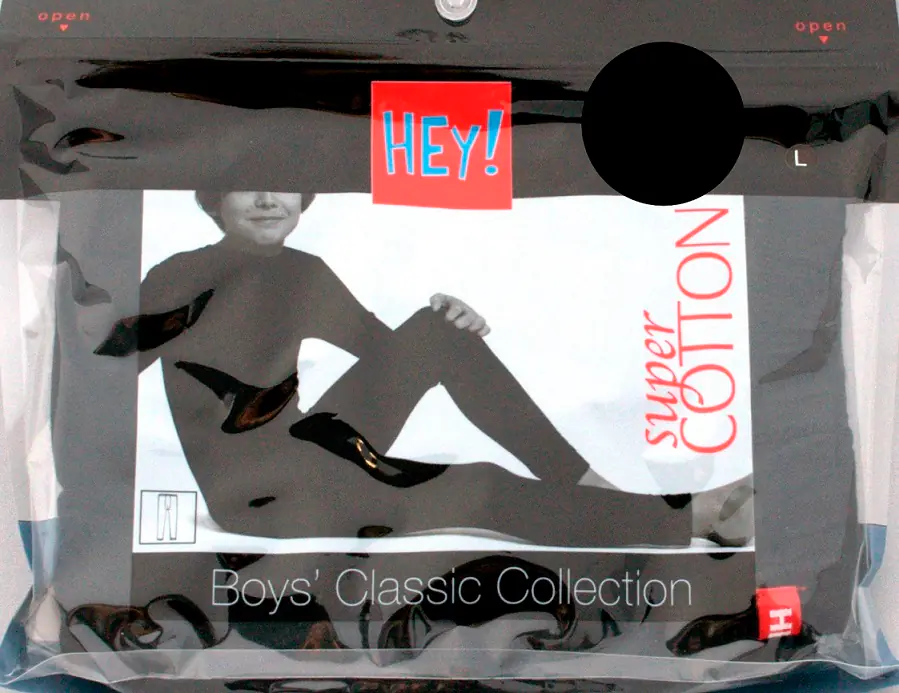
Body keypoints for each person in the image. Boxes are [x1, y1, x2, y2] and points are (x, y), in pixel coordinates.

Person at [94, 190, 690, 548]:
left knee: (438, 329)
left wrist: (453, 324)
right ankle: (684, 518)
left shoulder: (304, 271)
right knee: (478, 487)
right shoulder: (178, 276)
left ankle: (581, 481)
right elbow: (108, 375)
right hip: (260, 497)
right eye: (248, 186)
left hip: (314, 451)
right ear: (214, 200)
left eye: (285, 186)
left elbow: (393, 352)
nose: (270, 199)